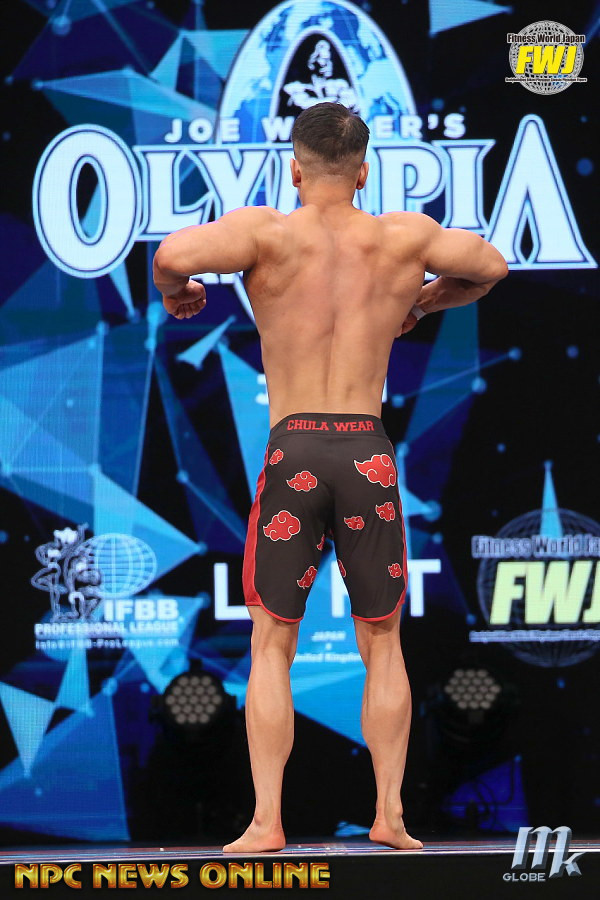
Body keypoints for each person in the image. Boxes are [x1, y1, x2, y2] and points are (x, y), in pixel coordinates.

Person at [152, 101, 508, 854]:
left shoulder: (267, 233)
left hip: (295, 452)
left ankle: (265, 822)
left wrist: (175, 294)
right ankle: (391, 815)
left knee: (272, 643)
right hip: (365, 452)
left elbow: (173, 255)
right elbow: (490, 268)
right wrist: (425, 299)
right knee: (382, 641)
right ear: (364, 171)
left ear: (294, 169)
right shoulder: (404, 238)